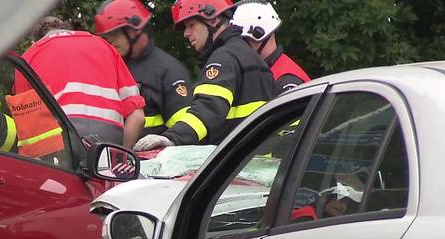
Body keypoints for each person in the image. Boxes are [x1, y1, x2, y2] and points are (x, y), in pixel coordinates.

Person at [134, 0, 274, 151]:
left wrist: (172, 138)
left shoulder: (224, 57)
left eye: (191, 25)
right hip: (255, 161)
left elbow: (208, 108)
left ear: (213, 19)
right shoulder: (251, 57)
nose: (186, 33)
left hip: (236, 165)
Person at [15, 17, 145, 154]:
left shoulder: (29, 57)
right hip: (108, 138)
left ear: (34, 41)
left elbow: (28, 128)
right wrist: (121, 154)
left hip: (62, 145)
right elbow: (138, 117)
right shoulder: (105, 46)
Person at [94, 0, 192, 137]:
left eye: (115, 33)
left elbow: (184, 130)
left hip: (155, 157)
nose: (110, 41)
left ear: (135, 29)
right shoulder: (109, 69)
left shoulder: (168, 71)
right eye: (106, 36)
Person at [229, 0, 310, 95]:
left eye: (244, 40)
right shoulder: (264, 70)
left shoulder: (287, 81)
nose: (238, 46)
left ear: (261, 35)